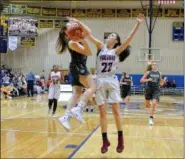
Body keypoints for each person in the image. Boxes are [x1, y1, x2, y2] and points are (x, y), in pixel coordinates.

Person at [84, 13, 144, 153]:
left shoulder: (117, 51)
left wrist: (137, 24)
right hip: (99, 80)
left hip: (111, 81)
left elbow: (129, 39)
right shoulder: (100, 46)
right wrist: (78, 25)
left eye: (112, 36)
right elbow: (88, 35)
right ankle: (105, 141)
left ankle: (120, 139)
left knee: (116, 111)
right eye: (109, 35)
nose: (109, 36)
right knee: (102, 112)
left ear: (116, 41)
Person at [58, 18, 96, 129]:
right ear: (67, 32)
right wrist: (83, 40)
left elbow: (89, 31)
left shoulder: (75, 39)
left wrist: (78, 22)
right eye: (71, 25)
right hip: (79, 67)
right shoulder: (72, 43)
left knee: (77, 93)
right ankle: (79, 108)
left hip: (76, 67)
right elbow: (89, 52)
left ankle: (66, 117)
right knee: (92, 87)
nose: (74, 26)